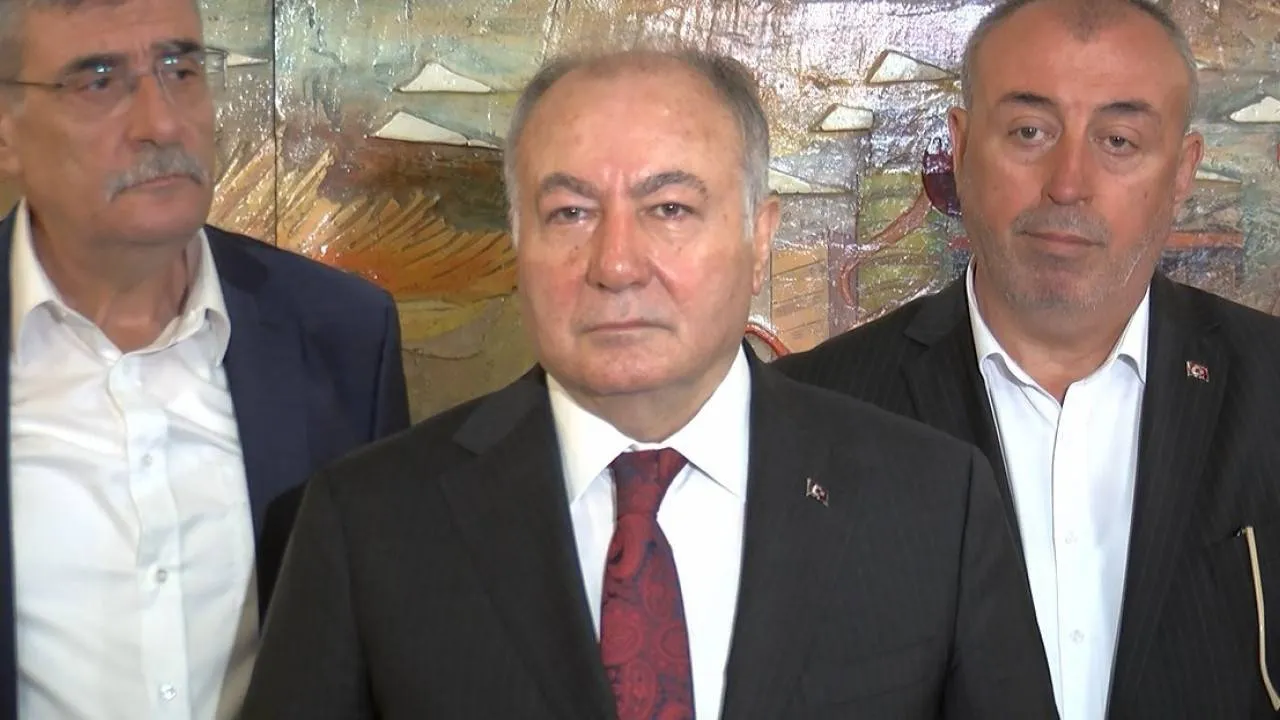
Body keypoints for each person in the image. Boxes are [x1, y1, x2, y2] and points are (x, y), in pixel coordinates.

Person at [239, 47, 1056, 720]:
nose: (617, 265)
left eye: (669, 209)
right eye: (570, 213)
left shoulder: (932, 502)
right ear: (519, 242)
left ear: (759, 238)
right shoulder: (366, 523)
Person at [775, 0, 1280, 717]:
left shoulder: (1269, 389)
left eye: (1119, 141)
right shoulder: (806, 418)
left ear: (1182, 172)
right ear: (959, 149)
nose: (1067, 183)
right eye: (1029, 132)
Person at [0, 0, 411, 716]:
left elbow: (387, 650)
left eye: (181, 68)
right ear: (7, 131)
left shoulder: (345, 334)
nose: (161, 123)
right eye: (99, 81)